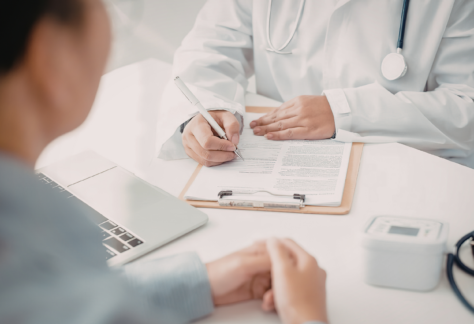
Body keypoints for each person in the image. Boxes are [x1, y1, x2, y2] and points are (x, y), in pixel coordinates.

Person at [0, 1, 328, 323]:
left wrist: (197, 282)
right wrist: (305, 314)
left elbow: (60, 301)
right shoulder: (37, 239)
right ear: (51, 58)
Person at [156, 0, 474, 168]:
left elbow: (466, 106)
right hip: (273, 161)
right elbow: (211, 45)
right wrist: (206, 109)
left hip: (406, 168)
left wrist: (344, 112)